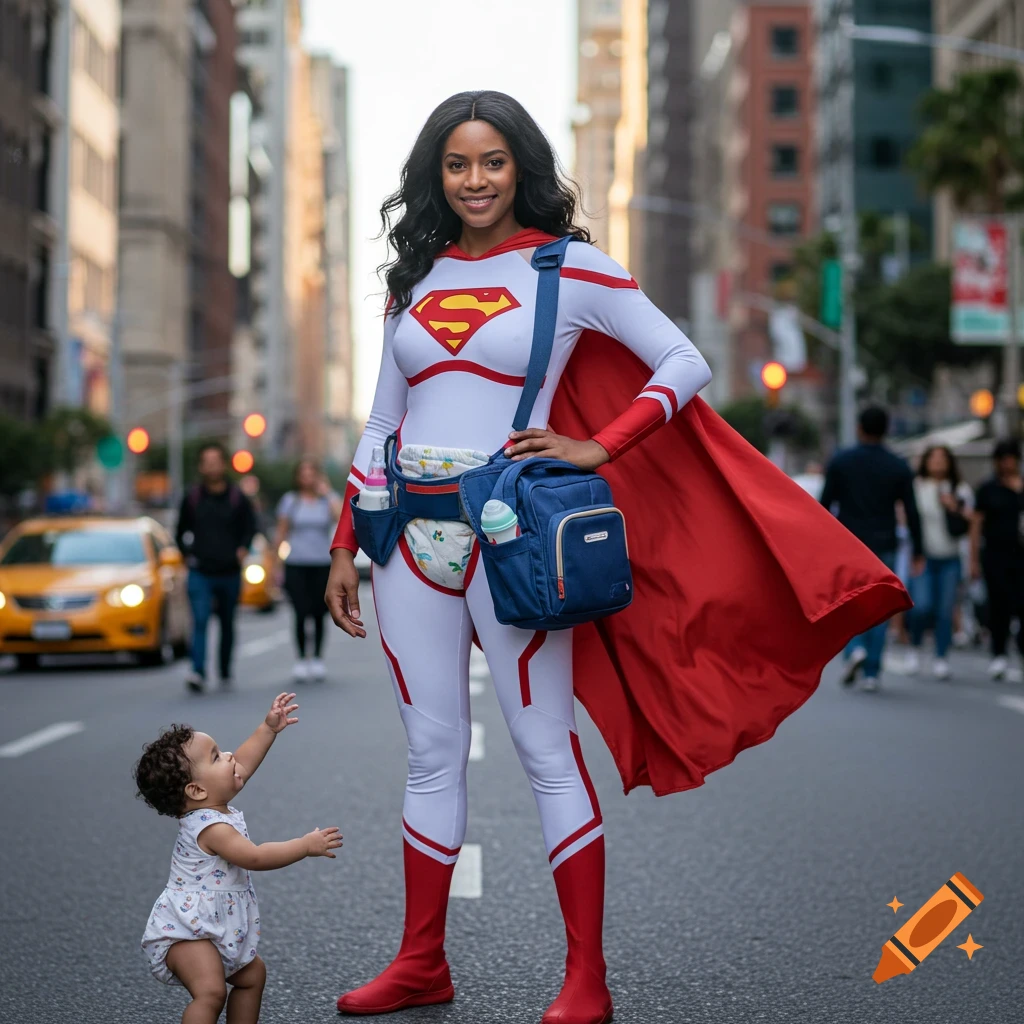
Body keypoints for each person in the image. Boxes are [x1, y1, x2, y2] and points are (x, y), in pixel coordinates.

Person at [324, 91, 908, 1024]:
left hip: (511, 537)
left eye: (494, 162)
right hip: (408, 540)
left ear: (523, 169)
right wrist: (348, 538)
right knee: (431, 753)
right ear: (437, 176)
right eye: (457, 165)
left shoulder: (572, 269)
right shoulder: (414, 281)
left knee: (543, 747)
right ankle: (421, 960)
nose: (475, 180)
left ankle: (585, 979)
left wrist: (601, 445)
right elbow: (383, 421)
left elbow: (682, 361)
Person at [134, 693, 343, 1024]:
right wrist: (304, 845)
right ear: (197, 791)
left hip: (216, 926)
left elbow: (241, 766)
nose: (230, 756)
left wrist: (268, 729)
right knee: (212, 992)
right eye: (217, 757)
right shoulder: (211, 828)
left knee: (252, 976)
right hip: (188, 931)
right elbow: (256, 857)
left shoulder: (213, 805)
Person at [820, 406, 923, 692]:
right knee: (879, 604)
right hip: (885, 541)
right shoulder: (898, 466)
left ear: (860, 428)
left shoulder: (841, 461)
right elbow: (911, 511)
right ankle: (872, 672)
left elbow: (824, 505)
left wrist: (820, 541)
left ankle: (855, 650)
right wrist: (918, 549)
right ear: (886, 429)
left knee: (851, 600)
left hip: (849, 541)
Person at [175, 443, 258, 693]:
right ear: (201, 466)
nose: (211, 465)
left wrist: (243, 548)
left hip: (229, 572)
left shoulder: (237, 498)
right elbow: (179, 533)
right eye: (206, 461)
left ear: (223, 464)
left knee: (227, 622)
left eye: (215, 460)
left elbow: (250, 528)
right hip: (200, 571)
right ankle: (197, 671)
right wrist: (187, 555)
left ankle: (224, 670)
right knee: (199, 621)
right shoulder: (192, 498)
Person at [904, 446, 973, 679]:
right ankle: (914, 648)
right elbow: (906, 517)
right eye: (933, 458)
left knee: (945, 610)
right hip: (923, 556)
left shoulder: (960, 488)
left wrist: (954, 507)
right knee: (921, 605)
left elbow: (970, 521)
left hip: (950, 557)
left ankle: (941, 657)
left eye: (942, 458)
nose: (938, 462)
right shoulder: (916, 486)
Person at [273, 458, 343, 681]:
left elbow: (341, 518)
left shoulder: (327, 500)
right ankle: (303, 659)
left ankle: (318, 659)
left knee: (320, 613)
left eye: (311, 473)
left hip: (322, 563)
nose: (307, 478)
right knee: (301, 612)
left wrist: (328, 491)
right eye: (303, 473)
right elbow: (281, 532)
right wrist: (275, 565)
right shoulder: (290, 501)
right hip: (296, 564)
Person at [970, 438, 1024, 682]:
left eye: (1012, 458)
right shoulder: (988, 488)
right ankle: (999, 653)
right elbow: (976, 524)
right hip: (996, 555)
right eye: (1004, 459)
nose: (1008, 463)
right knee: (999, 605)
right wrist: (972, 560)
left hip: (1021, 555)